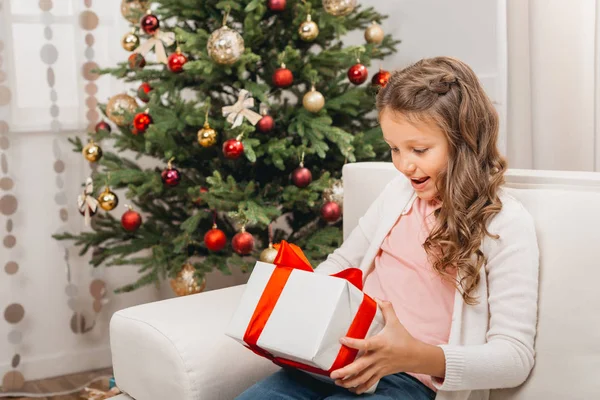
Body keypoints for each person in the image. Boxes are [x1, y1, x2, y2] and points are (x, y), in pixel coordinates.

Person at [235, 56, 540, 400]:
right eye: (394, 148)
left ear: (465, 141)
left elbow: (515, 357)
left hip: (408, 381)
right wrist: (308, 307)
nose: (404, 165)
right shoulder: (398, 194)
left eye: (420, 149)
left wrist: (412, 355)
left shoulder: (505, 224)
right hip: (333, 363)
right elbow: (342, 262)